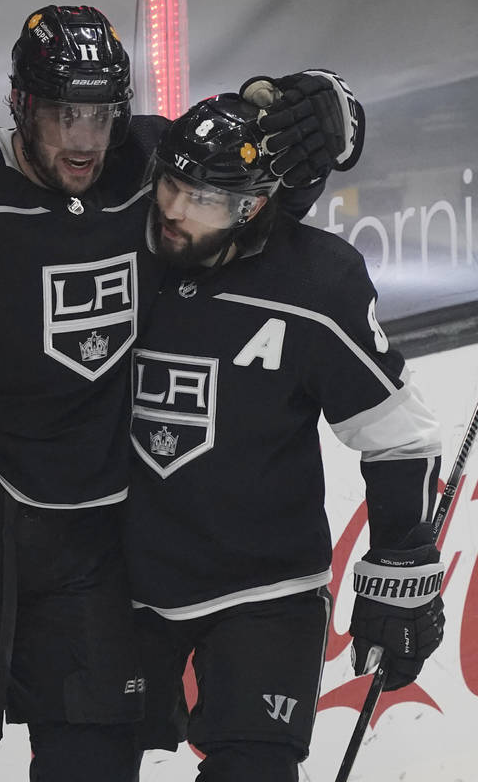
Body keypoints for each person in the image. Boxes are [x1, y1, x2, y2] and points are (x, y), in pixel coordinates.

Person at [0, 4, 366, 781]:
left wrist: (329, 110)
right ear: (20, 103)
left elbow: (269, 165)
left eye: (101, 113)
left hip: (94, 529)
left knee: (93, 760)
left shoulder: (156, 163)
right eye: (63, 114)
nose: (86, 139)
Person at [124, 93, 444, 782]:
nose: (175, 210)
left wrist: (402, 578)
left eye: (203, 200)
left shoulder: (316, 283)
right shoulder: (117, 245)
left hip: (264, 585)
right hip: (119, 577)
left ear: (255, 205)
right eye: (171, 185)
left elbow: (399, 436)